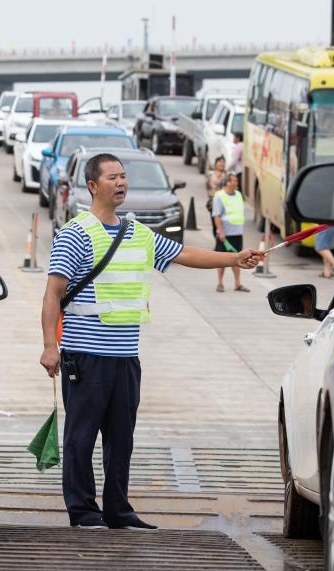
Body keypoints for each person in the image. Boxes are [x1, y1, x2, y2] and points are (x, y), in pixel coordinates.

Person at [39, 153, 265, 530]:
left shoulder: (137, 233)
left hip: (126, 357)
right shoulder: (75, 234)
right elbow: (52, 294)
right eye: (113, 177)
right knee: (81, 436)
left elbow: (186, 253)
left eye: (124, 176)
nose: (121, 182)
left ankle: (118, 510)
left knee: (121, 439)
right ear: (93, 186)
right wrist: (50, 346)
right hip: (85, 355)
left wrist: (235, 258)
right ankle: (83, 511)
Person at [212, 173, 248, 293]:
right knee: (221, 260)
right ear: (227, 182)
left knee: (238, 259)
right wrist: (221, 232)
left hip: (237, 233)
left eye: (236, 181)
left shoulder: (238, 194)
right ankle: (220, 283)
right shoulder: (219, 196)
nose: (236, 183)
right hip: (225, 235)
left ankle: (237, 283)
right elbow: (216, 216)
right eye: (234, 181)